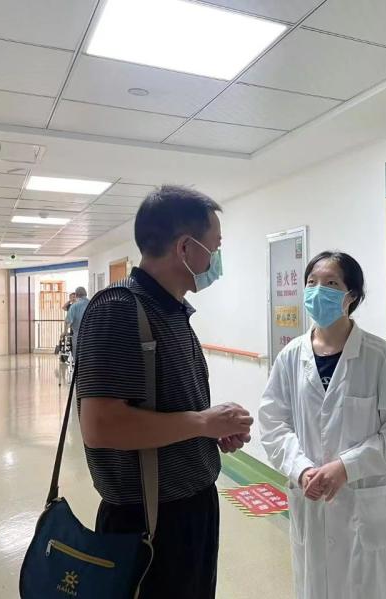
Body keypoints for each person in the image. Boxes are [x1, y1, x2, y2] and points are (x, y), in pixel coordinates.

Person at [76, 185, 253, 599]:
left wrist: (209, 430)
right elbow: (100, 426)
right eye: (215, 247)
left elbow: (167, 411)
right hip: (149, 525)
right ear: (185, 248)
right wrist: (202, 423)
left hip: (190, 511)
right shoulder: (119, 309)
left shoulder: (171, 311)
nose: (217, 259)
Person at [259, 251, 386, 599]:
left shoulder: (379, 356)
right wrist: (301, 469)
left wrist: (347, 467)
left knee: (371, 588)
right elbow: (273, 424)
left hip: (365, 505)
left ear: (352, 296)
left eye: (331, 283)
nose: (318, 291)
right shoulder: (291, 357)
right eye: (311, 283)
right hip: (311, 498)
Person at [64, 287, 89, 354]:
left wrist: (65, 332)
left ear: (76, 295)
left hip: (78, 336)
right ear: (86, 293)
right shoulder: (92, 304)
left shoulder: (74, 306)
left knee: (78, 355)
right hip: (91, 336)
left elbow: (67, 321)